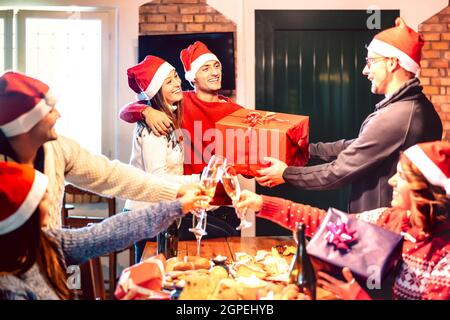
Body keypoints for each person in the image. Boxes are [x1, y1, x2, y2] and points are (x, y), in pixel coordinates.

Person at [256, 17, 443, 213]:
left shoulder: (400, 116)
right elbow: (359, 145)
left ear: (392, 63)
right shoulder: (410, 108)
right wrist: (304, 149)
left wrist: (286, 174)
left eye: (370, 62)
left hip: (384, 229)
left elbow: (339, 171)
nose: (365, 70)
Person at [237, 140, 450, 300]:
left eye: (402, 176)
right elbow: (323, 224)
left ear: (422, 189)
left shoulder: (445, 256)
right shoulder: (388, 219)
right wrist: (262, 204)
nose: (392, 181)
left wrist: (358, 296)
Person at [0, 71, 190, 230]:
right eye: (49, 111)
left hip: (52, 267)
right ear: (26, 125)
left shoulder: (58, 149)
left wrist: (180, 189)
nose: (59, 115)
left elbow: (110, 175)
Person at [0, 161, 209, 300]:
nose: (51, 200)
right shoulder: (9, 287)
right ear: (25, 214)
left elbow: (110, 232)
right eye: (43, 198)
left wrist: (179, 206)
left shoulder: (46, 242)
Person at [120, 41, 245, 236]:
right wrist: (145, 111)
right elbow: (126, 110)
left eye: (217, 66)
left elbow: (259, 148)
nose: (214, 72)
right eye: (205, 68)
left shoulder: (237, 113)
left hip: (221, 203)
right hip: (183, 203)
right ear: (192, 77)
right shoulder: (178, 105)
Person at [124, 55, 199, 262]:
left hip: (162, 213)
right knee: (152, 283)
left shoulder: (169, 117)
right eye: (168, 81)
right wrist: (199, 181)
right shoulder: (154, 126)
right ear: (156, 90)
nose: (177, 83)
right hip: (146, 215)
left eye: (176, 76)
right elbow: (157, 178)